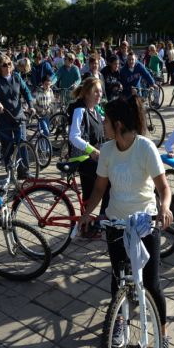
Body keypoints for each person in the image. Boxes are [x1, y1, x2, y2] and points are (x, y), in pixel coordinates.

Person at [78, 95, 173, 348]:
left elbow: (164, 188)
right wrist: (88, 213)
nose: (103, 125)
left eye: (106, 121)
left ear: (117, 124)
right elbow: (99, 188)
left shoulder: (144, 148)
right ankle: (119, 319)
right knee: (118, 276)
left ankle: (163, 334)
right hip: (117, 222)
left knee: (152, 283)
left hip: (144, 223)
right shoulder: (107, 150)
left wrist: (164, 208)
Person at [68, 78, 109, 238]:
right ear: (86, 93)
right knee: (109, 184)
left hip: (94, 157)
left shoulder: (95, 110)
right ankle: (99, 222)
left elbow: (106, 129)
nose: (99, 94)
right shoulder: (80, 110)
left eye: (100, 91)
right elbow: (74, 136)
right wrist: (91, 150)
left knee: (89, 192)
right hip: (82, 158)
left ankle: (86, 227)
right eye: (95, 91)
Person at [0, 55, 35, 179]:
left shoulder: (16, 77)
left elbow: (26, 91)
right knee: (7, 144)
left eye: (9, 64)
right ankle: (9, 168)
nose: (8, 67)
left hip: (18, 115)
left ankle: (24, 171)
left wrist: (31, 105)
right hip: (4, 116)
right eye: (5, 65)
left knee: (22, 143)